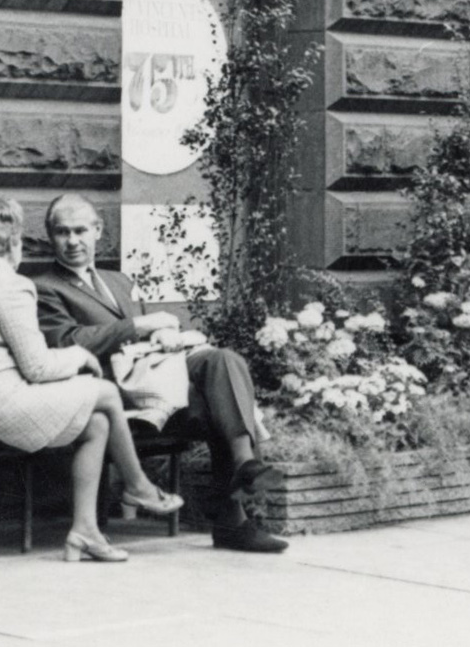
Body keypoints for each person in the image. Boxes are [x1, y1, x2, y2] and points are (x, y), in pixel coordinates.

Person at [0, 196, 184, 563]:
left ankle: (85, 532)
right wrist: (80, 356)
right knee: (106, 393)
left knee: (96, 423)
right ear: (11, 243)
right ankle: (138, 486)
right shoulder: (11, 285)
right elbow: (38, 368)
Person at [33, 194, 287, 554]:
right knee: (219, 402)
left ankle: (246, 464)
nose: (72, 241)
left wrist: (162, 333)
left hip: (156, 378)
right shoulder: (44, 287)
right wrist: (139, 325)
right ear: (50, 236)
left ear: (97, 231)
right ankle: (233, 520)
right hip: (112, 392)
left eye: (80, 230)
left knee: (223, 361)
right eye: (62, 232)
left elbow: (144, 332)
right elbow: (67, 341)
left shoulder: (117, 280)